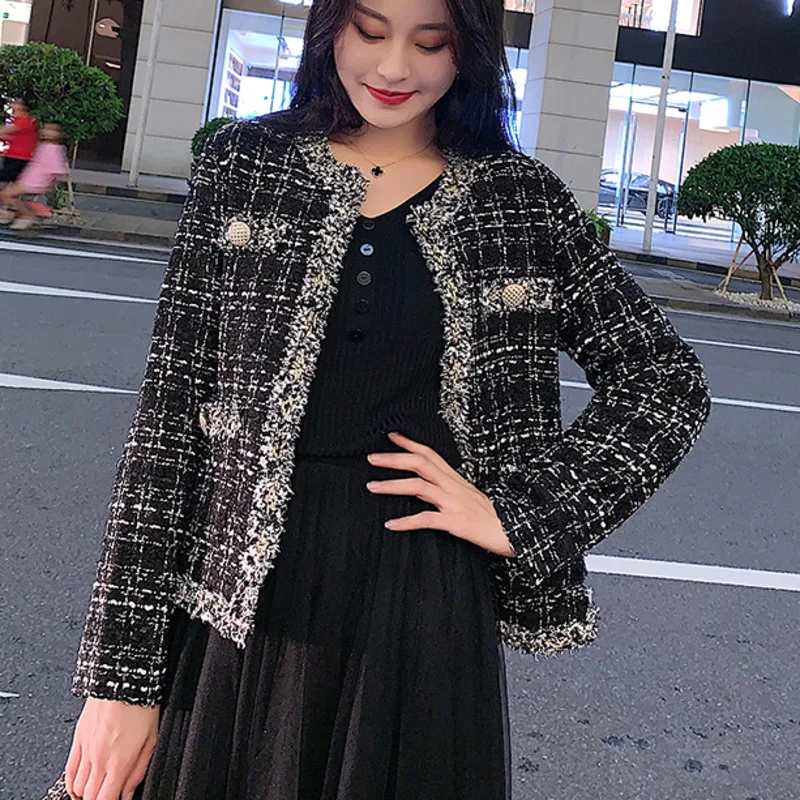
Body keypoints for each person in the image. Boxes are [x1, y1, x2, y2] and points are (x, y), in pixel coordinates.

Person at [42, 1, 713, 799]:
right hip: (242, 593)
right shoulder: (246, 165)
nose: (395, 68)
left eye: (430, 43)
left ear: (467, 51)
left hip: (420, 600)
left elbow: (664, 378)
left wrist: (524, 515)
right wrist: (120, 681)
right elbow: (167, 422)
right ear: (331, 26)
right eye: (370, 31)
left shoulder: (519, 199)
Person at [0, 123, 70, 230]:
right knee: (8, 195)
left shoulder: (54, 149)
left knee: (6, 195)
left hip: (36, 181)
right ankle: (23, 214)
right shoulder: (43, 145)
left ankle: (27, 215)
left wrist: (50, 184)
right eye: (46, 130)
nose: (46, 132)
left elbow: (56, 170)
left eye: (51, 131)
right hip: (29, 178)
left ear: (58, 134)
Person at [0, 95, 39, 186]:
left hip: (19, 159)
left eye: (15, 103)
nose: (11, 105)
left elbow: (7, 131)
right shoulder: (18, 120)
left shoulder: (24, 120)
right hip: (13, 157)